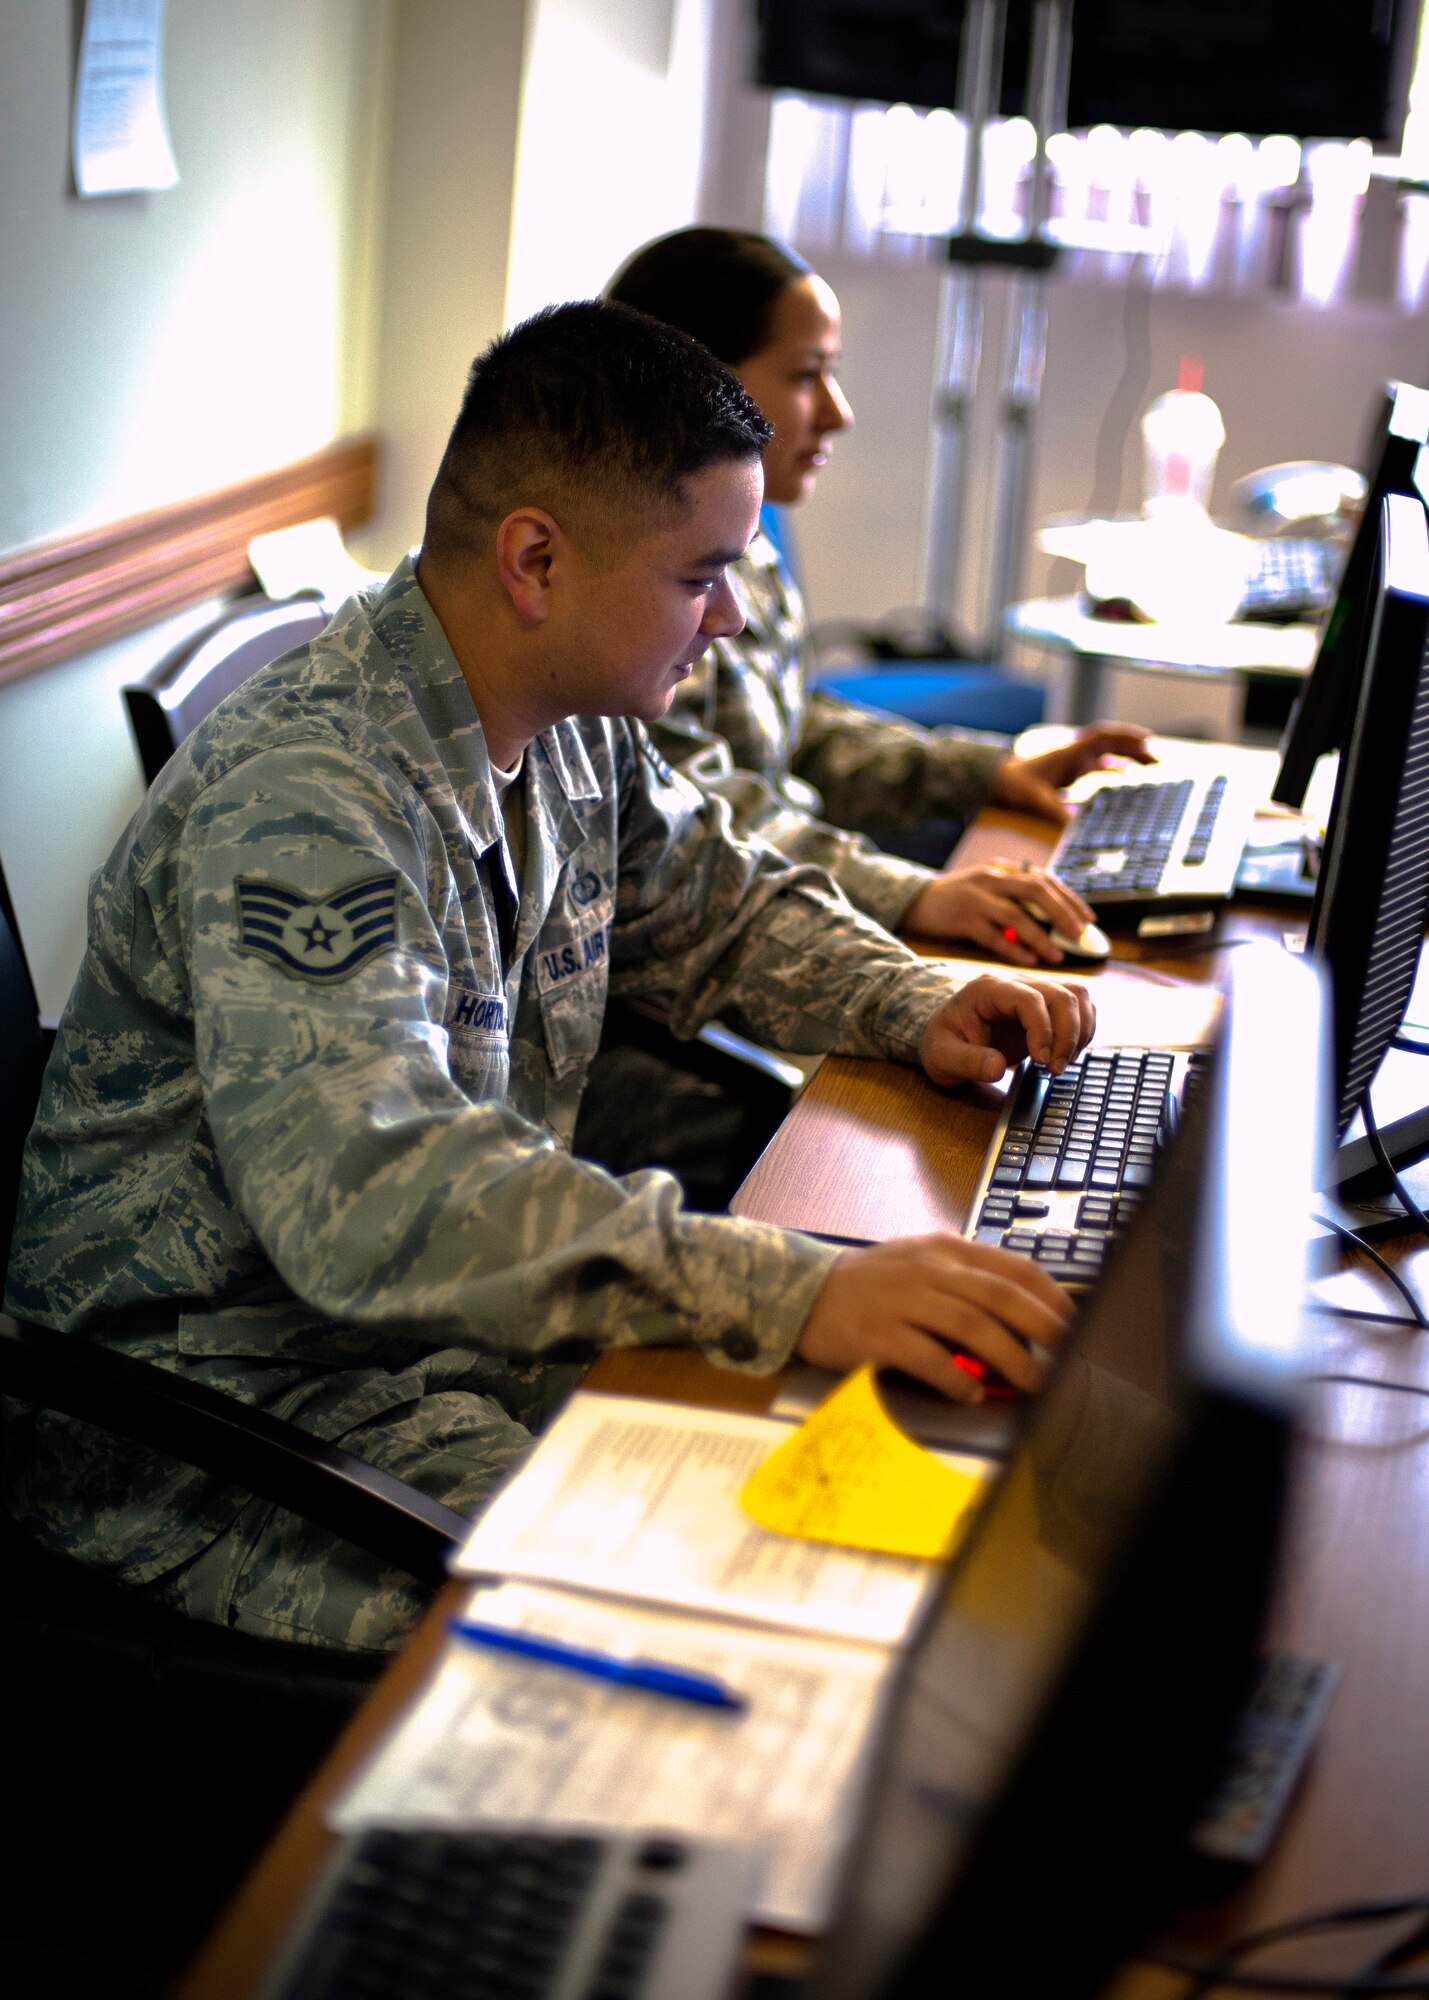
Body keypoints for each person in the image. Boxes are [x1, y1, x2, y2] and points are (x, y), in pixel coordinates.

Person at [6, 301, 1092, 1657]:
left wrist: (911, 997)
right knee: (753, 1611)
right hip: (220, 1426)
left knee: (883, 1508)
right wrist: (797, 1289)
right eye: (700, 577)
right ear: (535, 561)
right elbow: (373, 1191)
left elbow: (716, 899)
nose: (730, 619)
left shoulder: (562, 720)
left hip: (442, 1357)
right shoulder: (314, 798)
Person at [605, 225, 1156, 965]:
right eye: (807, 375)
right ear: (698, 383)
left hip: (777, 922)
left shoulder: (751, 546)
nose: (838, 411)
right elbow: (702, 831)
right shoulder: (628, 587)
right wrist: (913, 896)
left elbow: (794, 728)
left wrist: (989, 769)